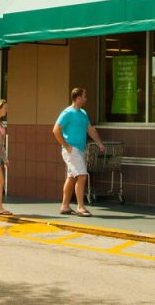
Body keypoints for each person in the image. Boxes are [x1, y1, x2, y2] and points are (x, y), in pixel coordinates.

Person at [52, 87, 103, 217]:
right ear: (78, 98)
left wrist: (99, 143)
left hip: (80, 150)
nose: (86, 99)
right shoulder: (67, 113)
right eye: (84, 96)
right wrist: (66, 146)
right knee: (82, 175)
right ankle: (80, 207)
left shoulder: (83, 113)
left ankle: (65, 206)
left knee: (72, 177)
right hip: (71, 150)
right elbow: (56, 130)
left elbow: (90, 129)